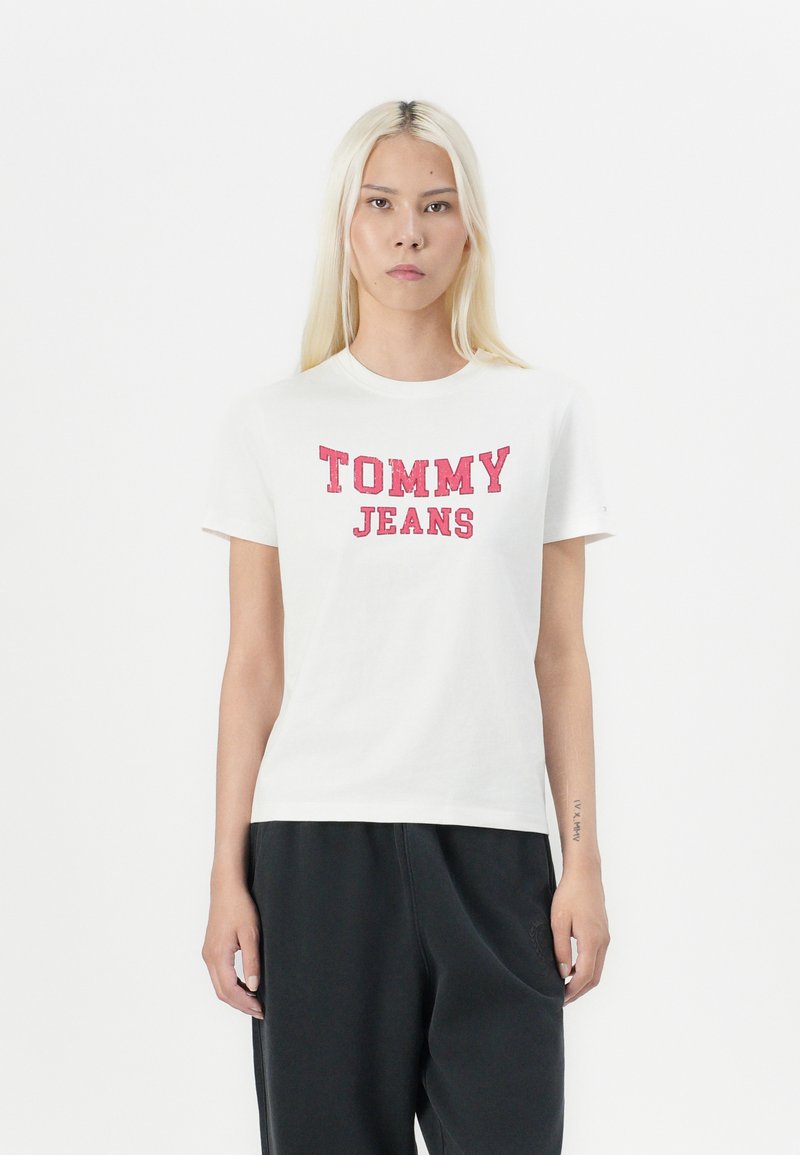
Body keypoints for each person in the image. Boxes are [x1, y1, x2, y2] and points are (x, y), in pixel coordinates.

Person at [200, 98, 615, 1155]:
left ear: (468, 228)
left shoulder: (541, 414)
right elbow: (252, 666)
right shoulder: (274, 423)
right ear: (344, 226)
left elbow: (559, 658)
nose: (407, 233)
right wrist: (225, 874)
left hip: (495, 850)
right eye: (379, 204)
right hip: (315, 850)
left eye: (435, 205)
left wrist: (581, 862)